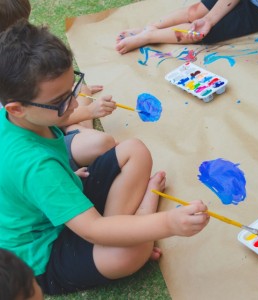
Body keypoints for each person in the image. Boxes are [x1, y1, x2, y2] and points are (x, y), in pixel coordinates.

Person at [0, 20, 210, 295]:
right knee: (127, 254)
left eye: (72, 89)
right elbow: (93, 229)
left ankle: (125, 232)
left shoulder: (23, 118)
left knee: (134, 150)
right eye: (61, 101)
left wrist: (64, 182)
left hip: (57, 207)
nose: (74, 104)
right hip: (43, 253)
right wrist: (168, 224)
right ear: (17, 109)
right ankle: (137, 223)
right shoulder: (37, 167)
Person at [0, 0, 117, 170]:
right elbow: (42, 117)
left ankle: (73, 128)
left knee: (82, 91)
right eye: (22, 26)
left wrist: (69, 95)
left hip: (48, 123)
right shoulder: (12, 86)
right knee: (102, 142)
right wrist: (90, 111)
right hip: (42, 140)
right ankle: (74, 130)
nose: (29, 29)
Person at [116, 0, 258, 56]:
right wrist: (210, 18)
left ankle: (149, 36)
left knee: (203, 33)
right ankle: (150, 27)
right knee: (195, 13)